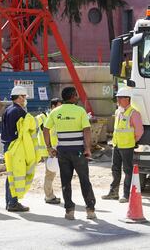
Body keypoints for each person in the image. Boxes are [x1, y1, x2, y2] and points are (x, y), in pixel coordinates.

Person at [43, 87, 96, 220]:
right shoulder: (80, 111)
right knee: (84, 180)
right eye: (76, 95)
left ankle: (69, 211)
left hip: (63, 152)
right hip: (78, 150)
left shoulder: (55, 112)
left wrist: (49, 147)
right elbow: (87, 130)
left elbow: (45, 129)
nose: (77, 97)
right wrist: (88, 148)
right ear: (72, 96)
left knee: (66, 181)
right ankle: (90, 210)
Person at [101, 87, 144, 203]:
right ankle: (113, 192)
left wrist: (132, 141)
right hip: (117, 145)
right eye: (117, 98)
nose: (118, 101)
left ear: (127, 99)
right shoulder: (118, 111)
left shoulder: (134, 113)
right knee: (115, 169)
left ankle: (126, 194)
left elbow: (139, 131)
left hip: (127, 146)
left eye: (120, 98)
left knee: (127, 170)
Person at [1, 85, 30, 212]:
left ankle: (10, 202)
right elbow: (24, 131)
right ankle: (13, 203)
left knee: (11, 175)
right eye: (24, 96)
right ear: (19, 97)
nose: (25, 99)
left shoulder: (8, 110)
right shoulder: (19, 111)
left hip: (7, 146)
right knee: (16, 175)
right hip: (15, 146)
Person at [36, 98, 63, 204]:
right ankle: (49, 196)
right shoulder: (43, 117)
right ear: (52, 106)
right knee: (50, 174)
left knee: (51, 173)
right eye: (58, 106)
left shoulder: (57, 117)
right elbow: (31, 125)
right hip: (47, 151)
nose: (60, 109)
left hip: (54, 150)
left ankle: (50, 194)